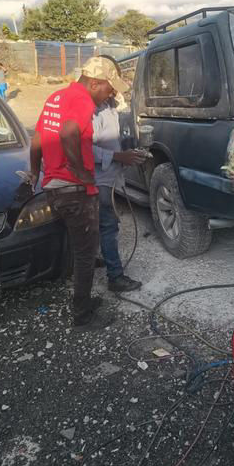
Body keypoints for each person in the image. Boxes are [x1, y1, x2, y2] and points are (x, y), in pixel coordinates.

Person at [29, 57, 116, 330]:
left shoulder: (57, 97)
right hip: (74, 191)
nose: (110, 94)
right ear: (95, 83)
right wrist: (81, 173)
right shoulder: (82, 99)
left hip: (54, 189)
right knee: (85, 254)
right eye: (109, 88)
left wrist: (34, 172)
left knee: (78, 249)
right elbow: (68, 134)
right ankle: (82, 316)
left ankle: (84, 302)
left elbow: (38, 139)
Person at [92, 56, 145, 292]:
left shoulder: (108, 105)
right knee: (108, 226)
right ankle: (115, 277)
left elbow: (111, 138)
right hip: (100, 180)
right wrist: (117, 156)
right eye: (111, 85)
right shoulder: (91, 111)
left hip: (111, 177)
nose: (114, 91)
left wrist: (127, 150)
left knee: (101, 225)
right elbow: (84, 149)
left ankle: (95, 258)